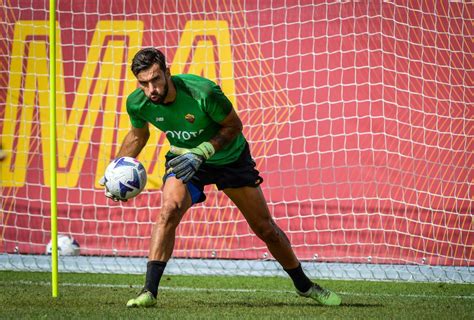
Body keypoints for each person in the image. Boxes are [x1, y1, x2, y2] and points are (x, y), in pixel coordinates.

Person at [100, 47, 341, 308]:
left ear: (168, 73)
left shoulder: (203, 92)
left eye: (156, 79)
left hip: (229, 158)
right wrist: (114, 170)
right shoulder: (138, 103)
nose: (151, 89)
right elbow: (138, 135)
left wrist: (203, 152)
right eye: (144, 83)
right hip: (185, 160)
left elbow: (234, 126)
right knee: (168, 210)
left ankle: (304, 286)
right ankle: (149, 292)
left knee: (265, 229)